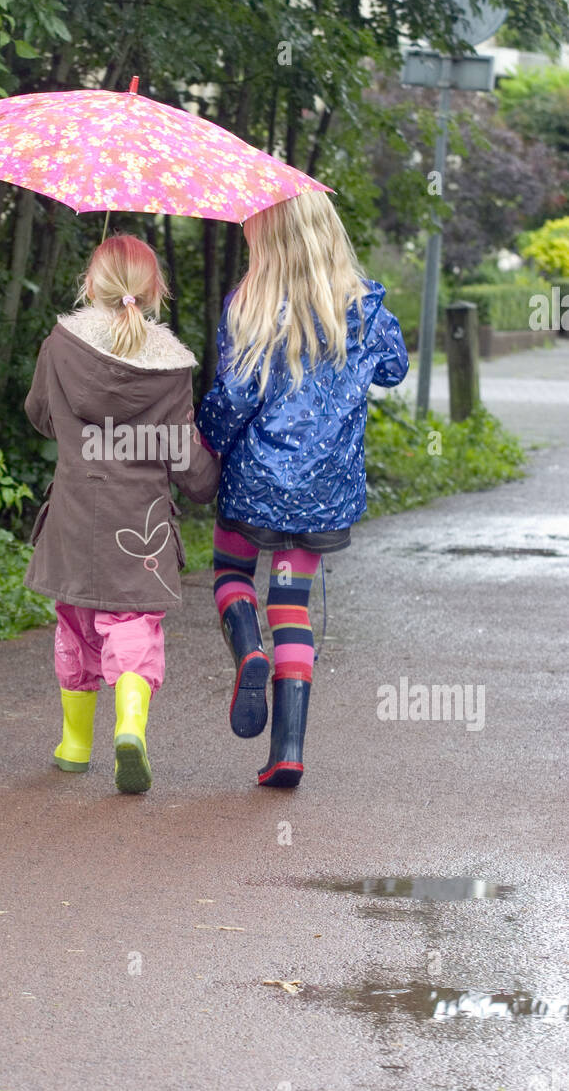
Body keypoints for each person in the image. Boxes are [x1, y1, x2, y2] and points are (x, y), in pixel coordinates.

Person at [196, 190, 409, 788]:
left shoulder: (251, 303)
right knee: (291, 605)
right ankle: (286, 751)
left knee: (230, 575)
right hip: (325, 487)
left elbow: (234, 397)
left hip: (253, 483)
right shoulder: (362, 309)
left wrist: (206, 440)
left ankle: (249, 653)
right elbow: (394, 368)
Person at [24, 233, 219, 794]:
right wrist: (211, 481)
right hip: (142, 526)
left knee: (76, 625)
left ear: (90, 283)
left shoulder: (59, 346)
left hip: (72, 516)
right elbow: (183, 455)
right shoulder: (170, 368)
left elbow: (40, 414)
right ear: (156, 292)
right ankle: (130, 726)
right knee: (132, 624)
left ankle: (75, 744)